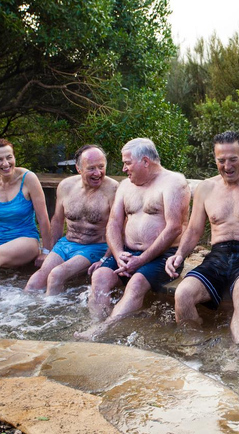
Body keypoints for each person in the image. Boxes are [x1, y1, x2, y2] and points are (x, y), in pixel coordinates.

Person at [165, 131, 239, 344]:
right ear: (214, 158)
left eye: (233, 159)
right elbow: (193, 230)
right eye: (222, 160)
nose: (227, 166)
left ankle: (237, 358)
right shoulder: (206, 188)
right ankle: (194, 350)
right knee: (183, 294)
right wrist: (179, 255)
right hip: (217, 256)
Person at [75, 138, 190, 340]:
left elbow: (174, 228)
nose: (124, 168)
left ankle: (102, 331)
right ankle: (99, 324)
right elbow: (114, 223)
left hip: (162, 256)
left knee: (136, 283)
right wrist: (119, 254)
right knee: (100, 277)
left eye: (127, 163)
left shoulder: (173, 183)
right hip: (128, 253)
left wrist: (142, 259)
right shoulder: (126, 185)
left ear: (145, 161)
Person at [24, 145, 118, 295]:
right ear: (79, 168)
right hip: (66, 244)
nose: (98, 173)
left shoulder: (113, 189)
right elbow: (57, 220)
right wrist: (49, 250)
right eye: (91, 168)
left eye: (101, 167)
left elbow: (118, 228)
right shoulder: (66, 186)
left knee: (56, 275)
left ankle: (53, 317)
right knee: (34, 283)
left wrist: (105, 259)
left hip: (95, 246)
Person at [0, 139, 51, 286]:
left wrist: (46, 251)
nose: (6, 164)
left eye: (9, 157)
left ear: (14, 157)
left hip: (26, 239)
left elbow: (43, 217)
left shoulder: (28, 178)